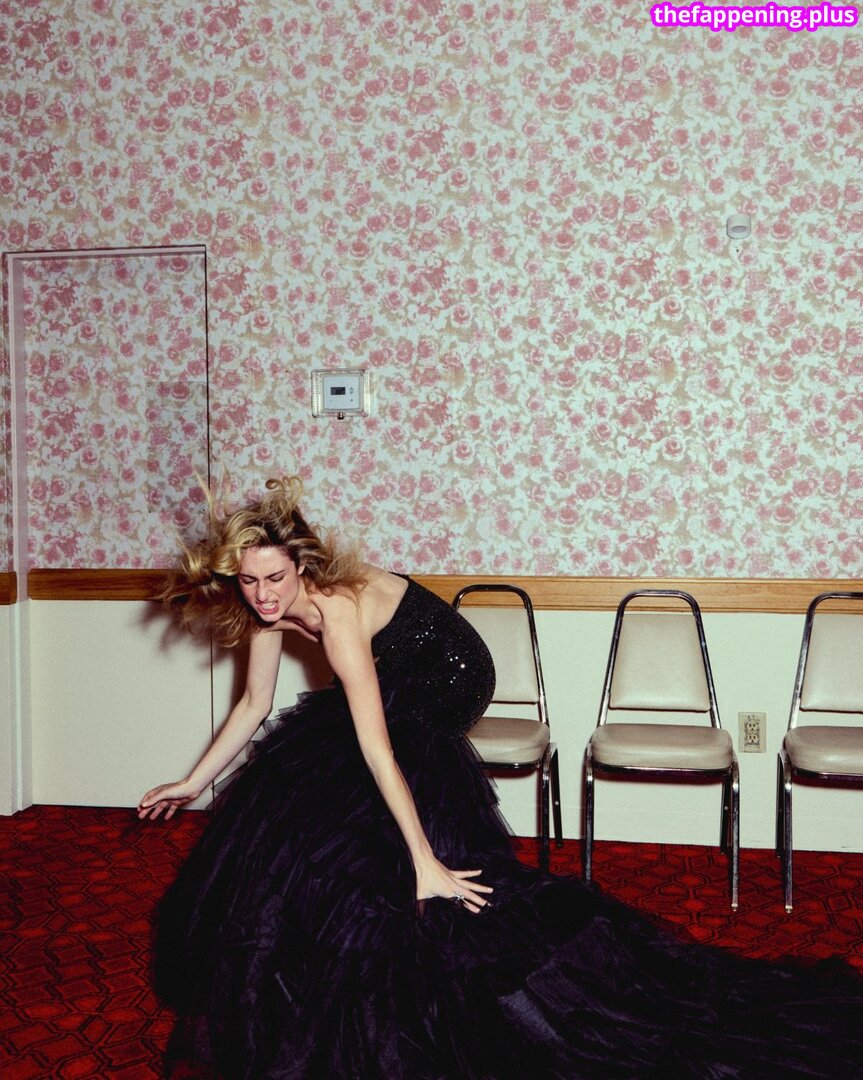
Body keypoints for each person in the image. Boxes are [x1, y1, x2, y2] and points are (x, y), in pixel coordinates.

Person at [140, 477, 863, 1080]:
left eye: (276, 578)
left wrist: (425, 862)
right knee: (308, 815)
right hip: (391, 677)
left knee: (373, 793)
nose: (264, 595)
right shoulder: (264, 612)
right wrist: (192, 781)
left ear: (302, 568)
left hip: (447, 672)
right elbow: (253, 705)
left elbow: (379, 747)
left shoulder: (337, 608)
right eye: (250, 581)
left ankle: (447, 906)